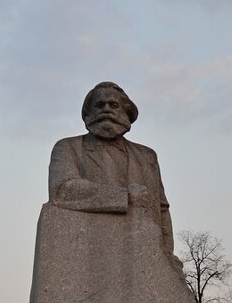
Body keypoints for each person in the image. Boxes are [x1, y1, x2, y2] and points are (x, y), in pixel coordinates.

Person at [48, 82, 177, 260]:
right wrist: (123, 196)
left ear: (126, 113)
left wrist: (167, 254)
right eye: (100, 105)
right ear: (88, 113)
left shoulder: (147, 156)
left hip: (143, 256)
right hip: (89, 253)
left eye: (113, 105)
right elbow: (62, 190)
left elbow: (162, 209)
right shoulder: (68, 147)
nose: (106, 110)